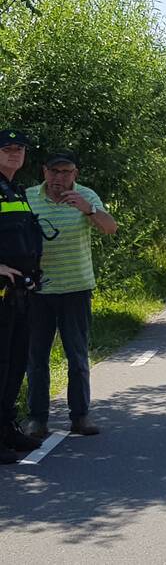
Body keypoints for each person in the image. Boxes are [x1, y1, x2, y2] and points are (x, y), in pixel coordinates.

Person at [24, 151, 117, 439]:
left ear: (75, 174)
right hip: (37, 291)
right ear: (44, 172)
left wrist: (88, 209)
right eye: (54, 172)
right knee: (36, 358)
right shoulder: (28, 197)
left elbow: (110, 228)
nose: (59, 178)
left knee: (77, 356)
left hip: (76, 288)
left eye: (66, 172)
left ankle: (80, 416)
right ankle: (37, 419)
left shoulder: (86, 196)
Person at [0, 129, 44, 463]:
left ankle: (6, 429)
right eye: (7, 148)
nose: (15, 153)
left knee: (14, 366)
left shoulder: (15, 189)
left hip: (19, 294)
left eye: (20, 148)